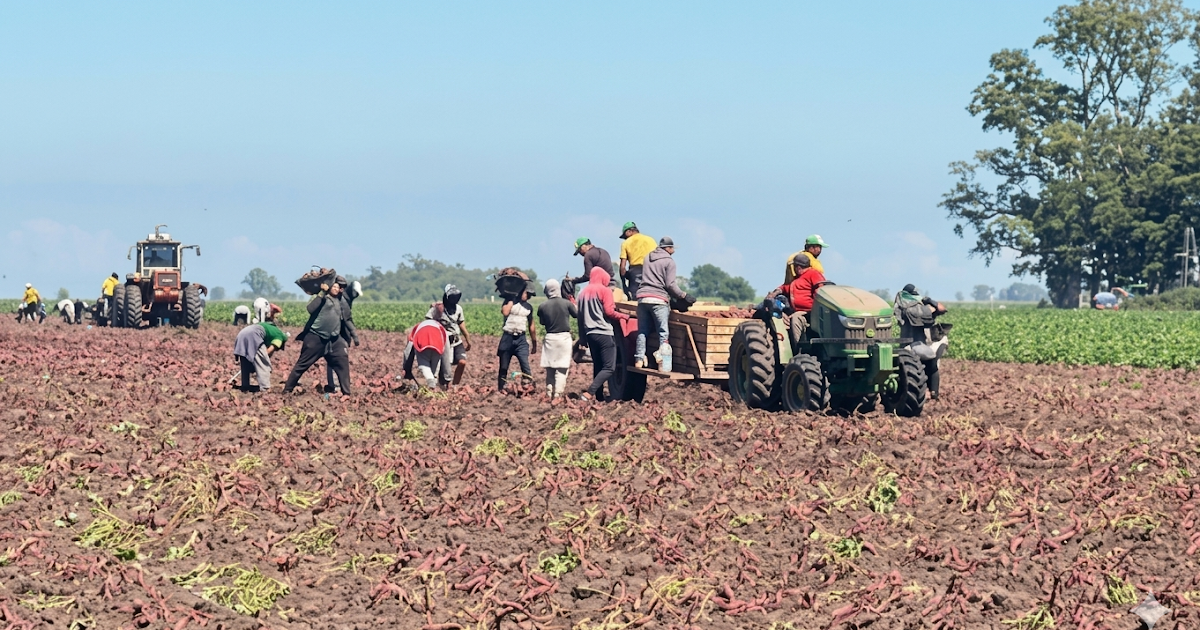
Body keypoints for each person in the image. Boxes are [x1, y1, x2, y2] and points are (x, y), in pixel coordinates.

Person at [634, 237, 695, 371]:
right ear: (667, 248)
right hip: (658, 299)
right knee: (663, 332)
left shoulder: (647, 258)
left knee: (642, 331)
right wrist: (684, 296)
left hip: (643, 297)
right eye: (672, 248)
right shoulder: (669, 262)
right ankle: (663, 364)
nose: (673, 251)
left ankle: (638, 359)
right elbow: (670, 285)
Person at [283, 281, 351, 395]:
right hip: (316, 337)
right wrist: (322, 292)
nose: (335, 288)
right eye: (333, 286)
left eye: (337, 287)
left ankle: (347, 394)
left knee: (342, 362)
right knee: (301, 365)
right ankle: (287, 390)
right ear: (328, 288)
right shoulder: (323, 298)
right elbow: (310, 308)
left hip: (333, 340)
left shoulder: (340, 300)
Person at [577, 266, 630, 401]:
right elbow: (609, 312)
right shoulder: (604, 290)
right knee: (609, 368)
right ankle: (590, 393)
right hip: (604, 333)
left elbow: (580, 317)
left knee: (598, 365)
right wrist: (624, 316)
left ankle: (599, 397)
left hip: (590, 334)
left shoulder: (582, 293)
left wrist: (582, 338)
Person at [894, 284, 949, 400]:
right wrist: (930, 302)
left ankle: (933, 393)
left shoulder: (903, 306)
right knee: (931, 365)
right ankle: (931, 393)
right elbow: (941, 309)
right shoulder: (912, 308)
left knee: (931, 365)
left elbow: (942, 309)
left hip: (918, 346)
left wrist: (929, 301)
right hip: (911, 347)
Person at [768, 253, 827, 349]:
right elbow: (785, 287)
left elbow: (820, 291)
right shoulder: (797, 279)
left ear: (798, 267)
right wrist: (774, 293)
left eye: (795, 267)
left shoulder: (814, 274)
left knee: (795, 318)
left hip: (811, 312)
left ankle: (800, 349)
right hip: (799, 311)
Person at [538, 278, 577, 399]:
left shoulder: (542, 306)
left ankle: (549, 392)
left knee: (550, 369)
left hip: (550, 338)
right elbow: (576, 314)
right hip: (563, 338)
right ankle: (558, 395)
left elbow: (542, 322)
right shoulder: (566, 303)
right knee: (561, 369)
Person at [428, 284, 471, 387]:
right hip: (442, 343)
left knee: (462, 362)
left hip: (456, 341)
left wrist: (468, 340)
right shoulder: (438, 309)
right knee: (445, 368)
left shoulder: (459, 309)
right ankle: (443, 386)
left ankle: (455, 385)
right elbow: (429, 321)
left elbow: (461, 324)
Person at [497, 283, 538, 391]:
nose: (528, 297)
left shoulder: (529, 308)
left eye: (530, 295)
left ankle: (528, 387)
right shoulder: (509, 303)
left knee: (525, 365)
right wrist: (511, 300)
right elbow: (505, 312)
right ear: (521, 291)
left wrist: (534, 343)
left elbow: (531, 326)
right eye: (527, 294)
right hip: (508, 337)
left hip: (521, 339)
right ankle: (501, 388)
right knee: (503, 366)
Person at [326, 276, 360, 393]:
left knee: (334, 360)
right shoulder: (343, 300)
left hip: (336, 334)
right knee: (337, 360)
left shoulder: (344, 298)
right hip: (336, 335)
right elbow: (347, 320)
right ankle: (336, 386)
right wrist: (354, 335)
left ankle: (335, 385)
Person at [232, 320, 288, 392]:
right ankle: (265, 387)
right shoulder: (280, 337)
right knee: (263, 364)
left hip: (242, 334)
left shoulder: (271, 328)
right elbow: (269, 350)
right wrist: (264, 358)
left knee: (245, 363)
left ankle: (245, 385)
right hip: (253, 335)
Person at [618, 222, 657, 300]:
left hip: (636, 271)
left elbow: (622, 267)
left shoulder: (626, 243)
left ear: (629, 232)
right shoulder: (651, 240)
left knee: (636, 297)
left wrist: (624, 278)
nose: (625, 238)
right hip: (652, 270)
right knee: (652, 294)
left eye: (625, 236)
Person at [407, 317, 448, 390]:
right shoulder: (439, 326)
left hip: (422, 341)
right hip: (437, 343)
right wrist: (447, 373)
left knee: (424, 365)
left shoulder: (416, 329)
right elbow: (446, 349)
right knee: (434, 369)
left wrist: (406, 368)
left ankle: (431, 384)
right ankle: (433, 386)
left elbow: (408, 351)